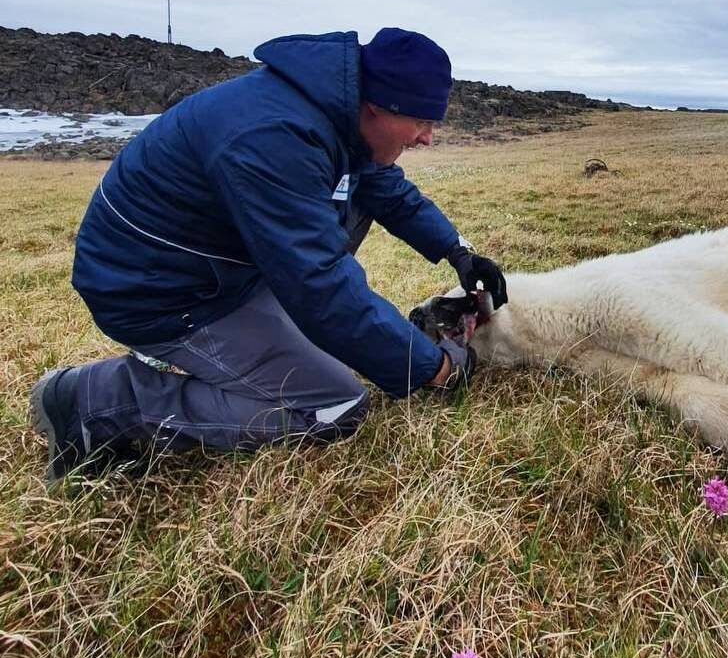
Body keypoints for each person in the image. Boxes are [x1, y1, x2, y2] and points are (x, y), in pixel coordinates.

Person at [29, 27, 508, 482]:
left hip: (214, 269)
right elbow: (319, 284)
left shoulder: (335, 117)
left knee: (353, 226)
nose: (427, 137)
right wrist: (434, 368)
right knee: (334, 404)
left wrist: (459, 252)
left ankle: (275, 336)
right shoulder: (275, 137)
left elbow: (385, 191)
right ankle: (95, 403)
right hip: (157, 291)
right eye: (422, 120)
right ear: (379, 106)